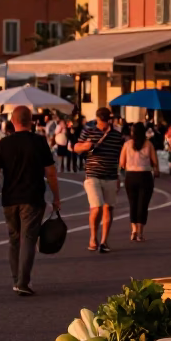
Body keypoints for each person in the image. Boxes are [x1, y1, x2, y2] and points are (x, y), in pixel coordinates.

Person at [0, 105, 60, 296]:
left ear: (13, 121)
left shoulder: (4, 143)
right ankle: (23, 282)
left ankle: (16, 278)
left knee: (14, 239)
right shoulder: (39, 142)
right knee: (28, 239)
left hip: (9, 198)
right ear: (31, 121)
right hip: (32, 198)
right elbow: (51, 172)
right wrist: (56, 197)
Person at [74, 107, 125, 253]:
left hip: (110, 175)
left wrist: (118, 176)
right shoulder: (88, 131)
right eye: (102, 121)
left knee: (109, 207)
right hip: (92, 174)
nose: (104, 124)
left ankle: (104, 241)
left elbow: (117, 157)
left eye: (106, 120)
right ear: (97, 119)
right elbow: (76, 147)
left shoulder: (116, 135)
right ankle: (92, 237)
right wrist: (86, 146)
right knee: (96, 207)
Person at [121, 121, 158, 242]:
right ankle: (140, 233)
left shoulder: (127, 145)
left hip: (131, 176)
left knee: (133, 203)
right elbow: (155, 161)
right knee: (143, 204)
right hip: (145, 176)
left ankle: (133, 230)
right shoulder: (149, 144)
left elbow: (121, 163)